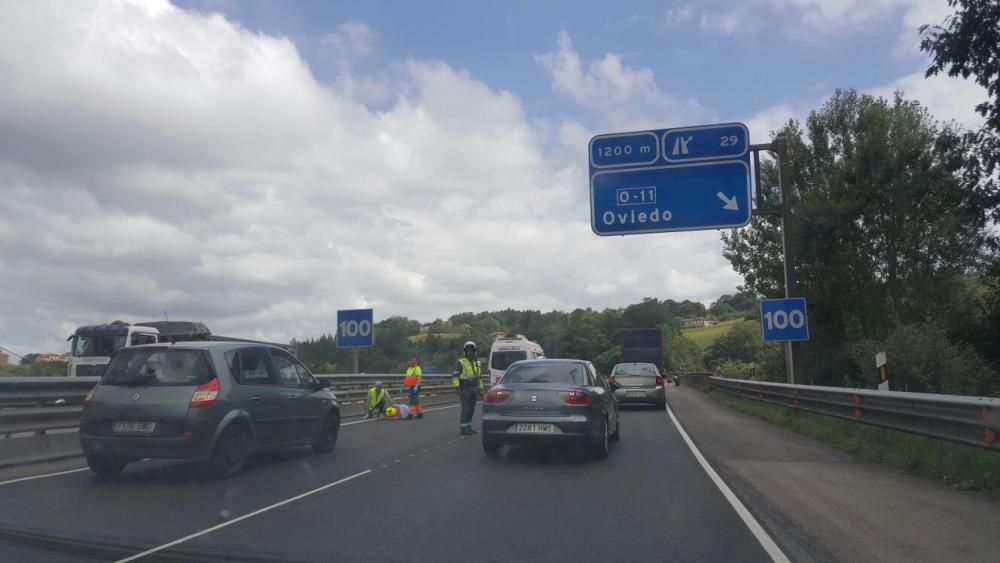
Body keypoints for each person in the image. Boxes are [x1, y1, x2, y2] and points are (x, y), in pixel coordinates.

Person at [452, 341, 483, 435]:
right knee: (466, 408)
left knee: (472, 408)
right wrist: (457, 387)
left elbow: (479, 377)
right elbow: (455, 375)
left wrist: (480, 389)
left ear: (475, 351)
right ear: (465, 351)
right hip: (464, 388)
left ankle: (468, 426)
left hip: (474, 388)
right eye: (468, 351)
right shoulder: (461, 362)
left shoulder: (477, 362)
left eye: (471, 351)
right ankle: (464, 428)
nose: (470, 352)